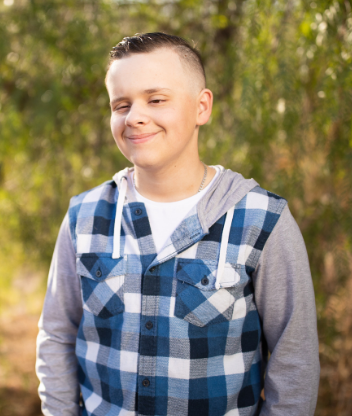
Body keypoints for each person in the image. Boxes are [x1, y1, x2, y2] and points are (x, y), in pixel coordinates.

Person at [36, 32, 319, 416]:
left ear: (202, 107)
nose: (134, 116)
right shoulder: (84, 217)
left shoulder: (261, 220)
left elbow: (294, 358)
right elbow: (56, 334)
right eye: (121, 105)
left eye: (156, 99)